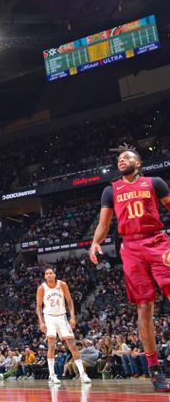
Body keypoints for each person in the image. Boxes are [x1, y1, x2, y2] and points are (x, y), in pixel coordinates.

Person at [90, 143, 170, 391]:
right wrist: (95, 242)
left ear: (139, 163)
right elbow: (104, 224)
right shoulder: (110, 191)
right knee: (144, 307)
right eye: (119, 159)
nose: (121, 160)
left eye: (127, 157)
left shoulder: (155, 182)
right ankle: (155, 371)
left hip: (157, 241)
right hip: (131, 248)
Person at [36, 267, 91, 384]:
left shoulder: (62, 285)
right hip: (49, 317)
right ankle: (52, 375)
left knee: (73, 346)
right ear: (45, 277)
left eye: (51, 273)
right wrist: (41, 322)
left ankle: (82, 374)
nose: (49, 275)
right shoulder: (42, 288)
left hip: (62, 317)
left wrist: (72, 317)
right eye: (47, 274)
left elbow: (70, 301)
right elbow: (39, 307)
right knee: (51, 345)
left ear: (54, 275)